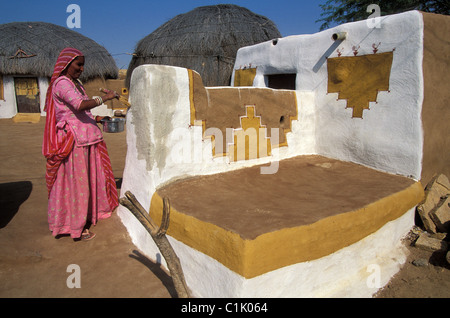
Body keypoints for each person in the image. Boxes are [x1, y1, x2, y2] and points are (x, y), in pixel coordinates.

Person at [42, 47, 119, 241]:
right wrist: (106, 97)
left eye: (83, 65)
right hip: (75, 141)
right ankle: (75, 226)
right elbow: (79, 105)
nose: (81, 69)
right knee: (77, 184)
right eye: (78, 64)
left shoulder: (76, 84)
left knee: (89, 180)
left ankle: (90, 214)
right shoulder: (62, 83)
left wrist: (99, 118)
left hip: (87, 138)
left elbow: (82, 112)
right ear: (67, 64)